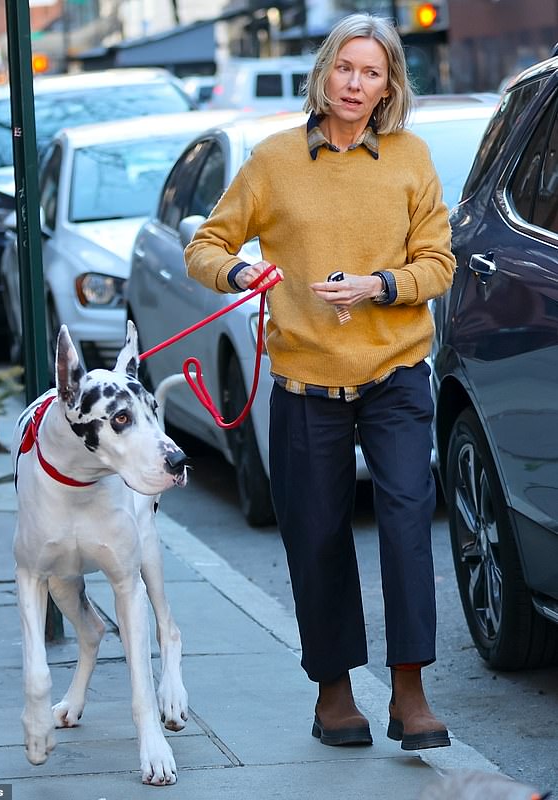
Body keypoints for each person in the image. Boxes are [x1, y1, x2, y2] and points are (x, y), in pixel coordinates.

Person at [184, 13, 455, 751]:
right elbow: (206, 243)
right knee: (317, 536)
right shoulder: (273, 161)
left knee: (406, 526)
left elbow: (439, 263)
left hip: (396, 375)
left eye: (372, 73)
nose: (355, 84)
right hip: (306, 383)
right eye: (345, 68)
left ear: (389, 84)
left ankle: (410, 694)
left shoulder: (410, 159)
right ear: (324, 72)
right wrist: (239, 268)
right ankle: (334, 696)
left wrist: (380, 285)